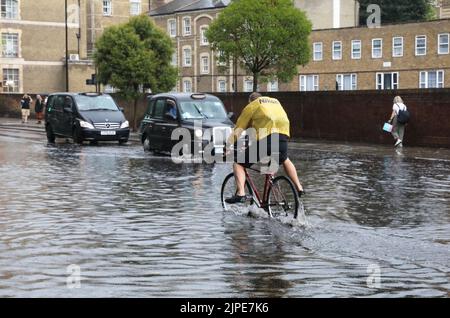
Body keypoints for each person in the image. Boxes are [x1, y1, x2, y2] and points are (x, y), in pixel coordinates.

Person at [225, 92, 304, 204]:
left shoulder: (253, 105)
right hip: (282, 138)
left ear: (250, 101)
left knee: (238, 164)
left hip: (266, 140)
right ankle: (299, 187)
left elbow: (239, 128)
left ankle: (240, 193)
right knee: (285, 159)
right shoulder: (275, 102)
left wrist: (228, 145)